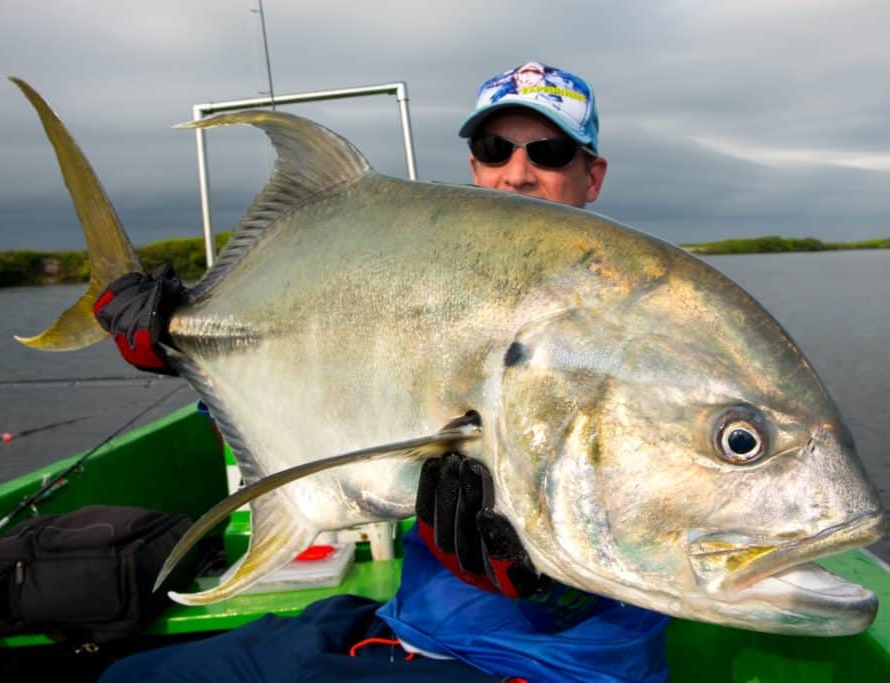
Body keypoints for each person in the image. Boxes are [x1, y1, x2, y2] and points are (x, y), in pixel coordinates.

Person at [97, 62, 667, 683]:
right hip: (406, 627)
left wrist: (543, 580)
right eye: (493, 148)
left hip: (547, 667)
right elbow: (319, 417)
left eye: (550, 151)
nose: (517, 173)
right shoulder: (430, 297)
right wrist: (177, 349)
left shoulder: (645, 328)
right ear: (474, 165)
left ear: (593, 175)